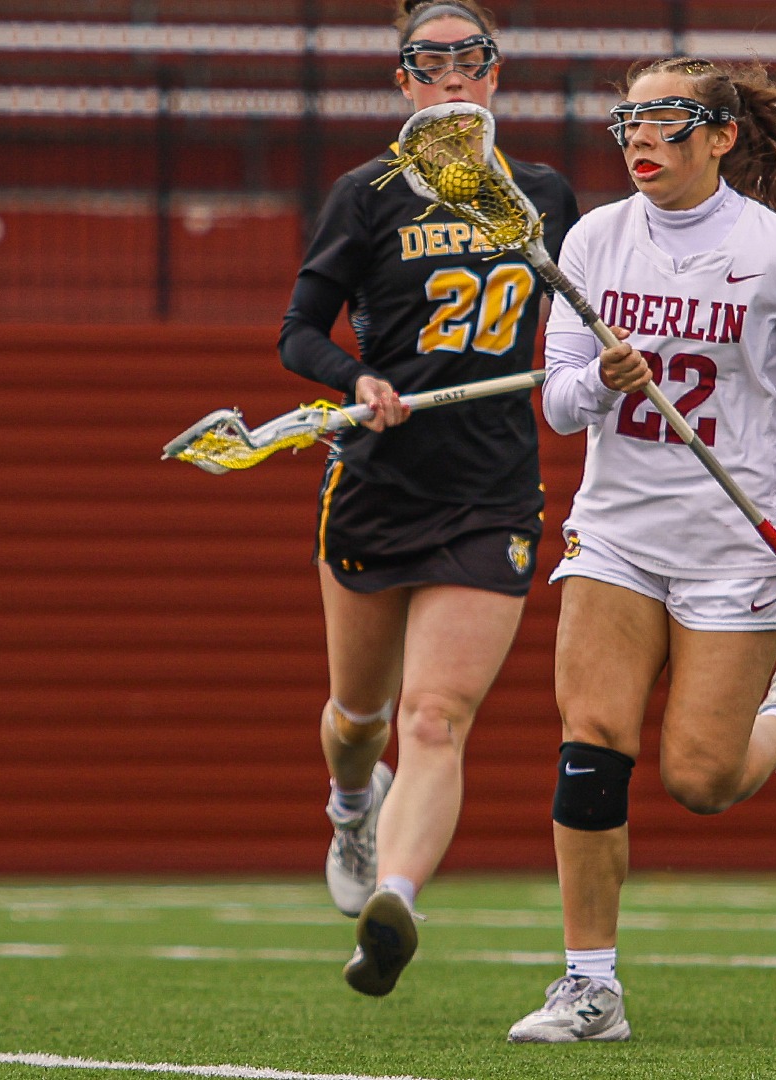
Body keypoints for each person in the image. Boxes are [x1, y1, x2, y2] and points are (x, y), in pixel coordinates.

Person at [507, 56, 776, 1044]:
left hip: (735, 542)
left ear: (718, 136)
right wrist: (605, 382)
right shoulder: (591, 239)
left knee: (703, 781)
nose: (640, 135)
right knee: (590, 750)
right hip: (618, 532)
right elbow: (557, 399)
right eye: (628, 117)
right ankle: (590, 988)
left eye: (667, 117)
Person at [276, 0, 577, 998]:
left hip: (490, 492)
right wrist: (354, 381)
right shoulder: (366, 195)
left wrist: (606, 359)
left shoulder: (542, 199)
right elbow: (300, 334)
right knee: (359, 717)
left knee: (436, 716)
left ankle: (392, 903)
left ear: (496, 74)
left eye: (470, 59)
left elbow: (580, 333)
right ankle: (352, 806)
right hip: (377, 483)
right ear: (403, 82)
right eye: (429, 61)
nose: (452, 77)